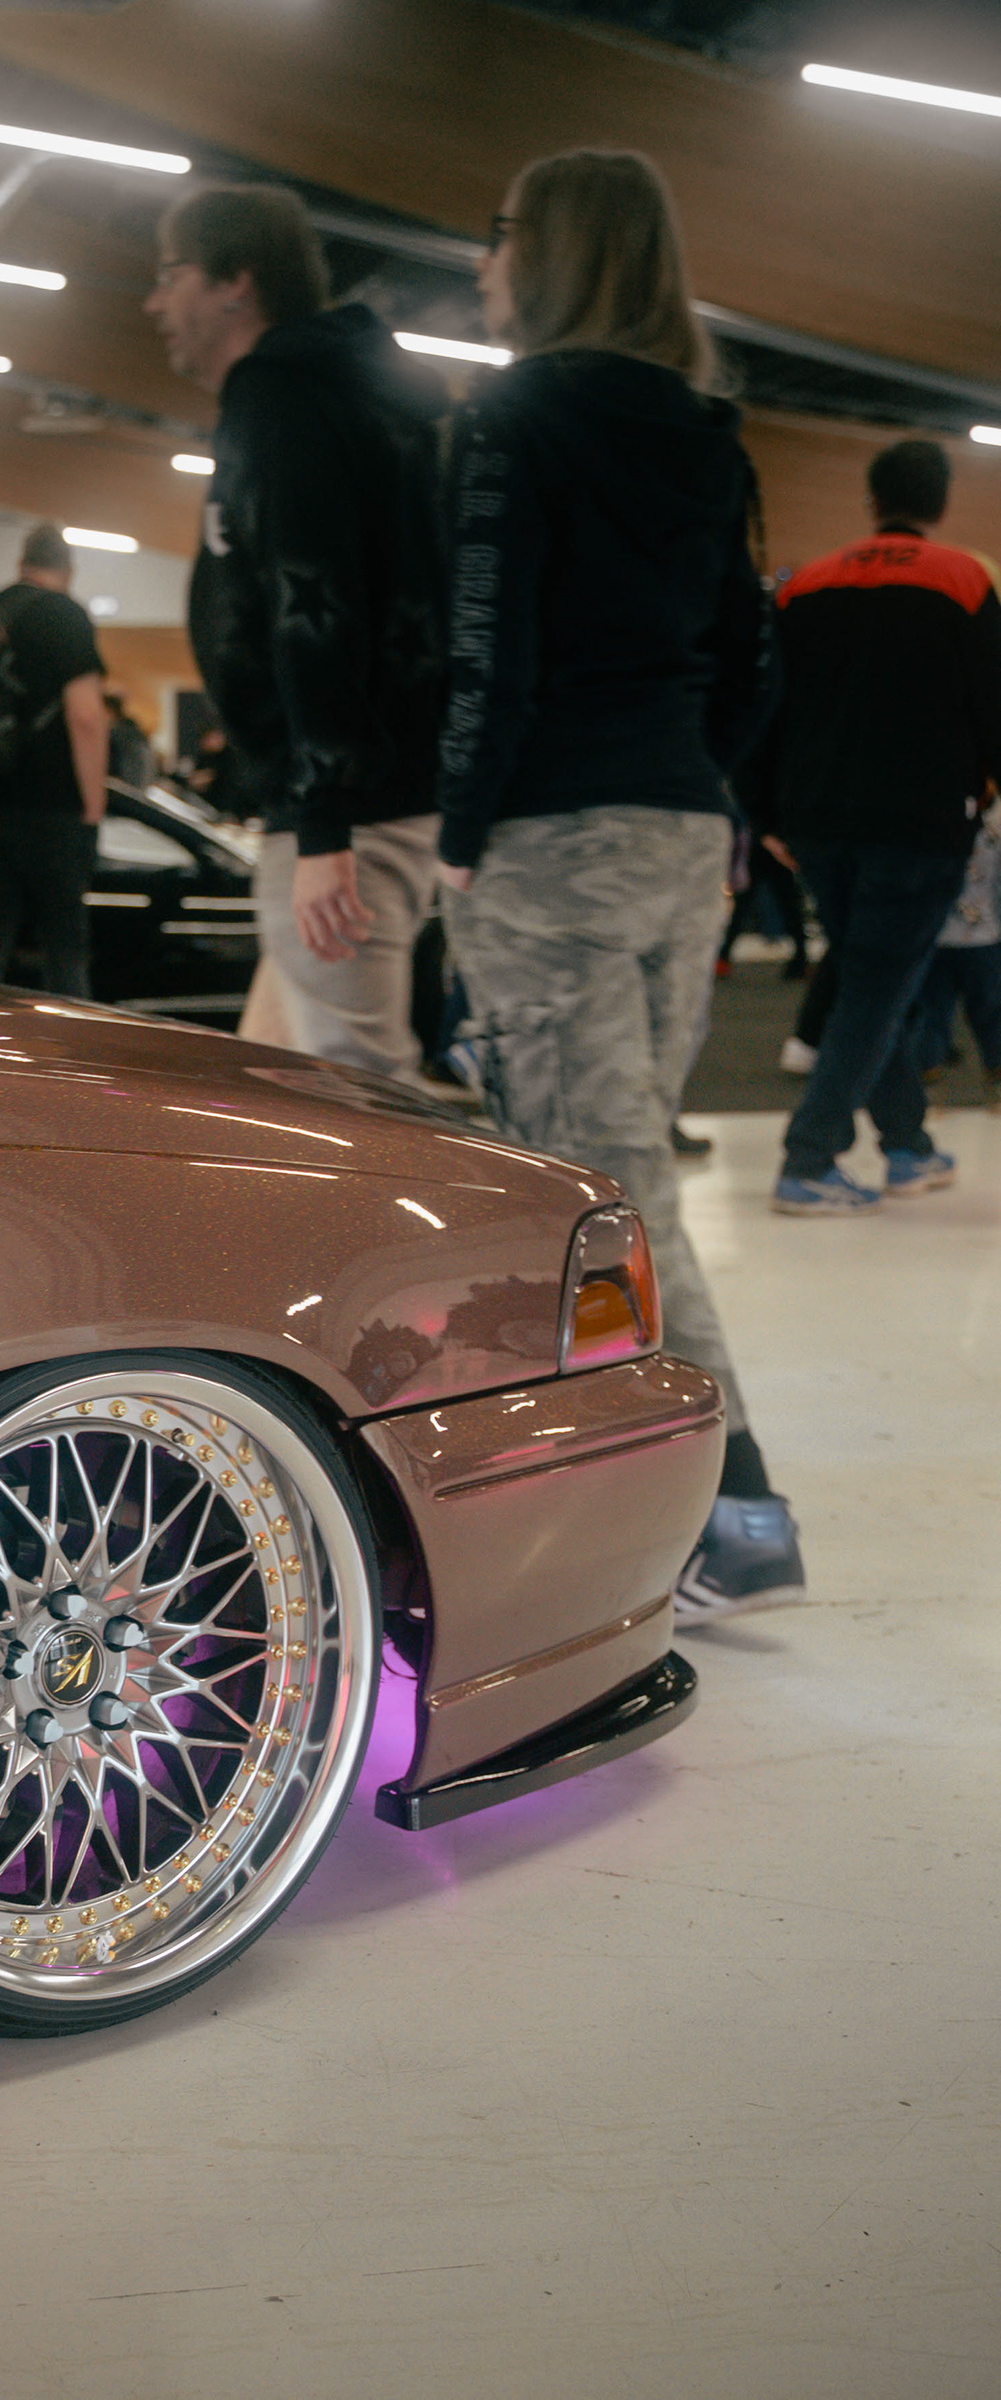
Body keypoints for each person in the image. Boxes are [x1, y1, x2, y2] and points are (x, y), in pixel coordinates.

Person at [435, 147, 796, 1621]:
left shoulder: (511, 418)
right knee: (625, 1175)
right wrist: (711, 790)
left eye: (499, 233)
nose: (483, 261)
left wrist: (461, 825)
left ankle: (740, 1504)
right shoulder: (709, 432)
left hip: (553, 841)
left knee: (605, 1185)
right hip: (678, 836)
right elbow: (754, 652)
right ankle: (628, 1484)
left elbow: (488, 646)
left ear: (553, 251)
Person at [145, 181, 447, 1083]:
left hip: (348, 809)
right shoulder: (347, 395)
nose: (156, 302)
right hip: (370, 790)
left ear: (235, 283)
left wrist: (322, 825)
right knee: (273, 1078)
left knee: (351, 1086)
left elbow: (313, 604)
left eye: (171, 274)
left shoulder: (281, 397)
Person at [750, 440, 1001, 1212]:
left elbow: (767, 704)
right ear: (941, 504)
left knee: (869, 981)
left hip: (818, 821)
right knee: (876, 990)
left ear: (870, 501)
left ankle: (906, 1147)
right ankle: (808, 1157)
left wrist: (766, 812)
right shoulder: (964, 581)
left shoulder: (808, 584)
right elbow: (994, 702)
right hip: (920, 823)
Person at [0, 520, 109, 997]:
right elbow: (86, 717)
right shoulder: (66, 615)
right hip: (51, 802)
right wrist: (93, 806)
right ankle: (69, 1038)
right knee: (64, 940)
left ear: (21, 563)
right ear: (68, 569)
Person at [909, 811, 1001, 1108]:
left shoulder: (928, 831)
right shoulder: (991, 835)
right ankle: (994, 1079)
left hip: (939, 939)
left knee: (933, 1015)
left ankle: (929, 1086)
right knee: (988, 1013)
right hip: (980, 939)